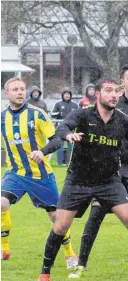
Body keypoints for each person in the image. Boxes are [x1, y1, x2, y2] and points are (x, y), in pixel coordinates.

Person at [36, 78, 128, 281]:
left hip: (108, 181)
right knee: (60, 226)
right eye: (109, 91)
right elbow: (62, 129)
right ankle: (45, 273)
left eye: (116, 91)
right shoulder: (83, 115)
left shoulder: (124, 121)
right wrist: (67, 137)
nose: (114, 95)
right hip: (78, 180)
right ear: (98, 94)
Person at [69, 65, 128, 278]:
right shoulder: (112, 105)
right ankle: (81, 264)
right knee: (96, 213)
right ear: (121, 84)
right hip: (110, 168)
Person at [1, 78, 78, 268]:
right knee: (1, 203)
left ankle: (70, 254)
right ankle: (4, 248)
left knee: (56, 219)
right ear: (7, 94)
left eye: (22, 89)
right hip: (16, 173)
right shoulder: (2, 117)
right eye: (15, 89)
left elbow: (57, 140)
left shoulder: (37, 114)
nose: (20, 92)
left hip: (41, 176)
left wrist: (41, 152)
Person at [51, 87, 79, 166]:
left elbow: (79, 116)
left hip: (71, 129)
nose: (67, 96)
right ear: (62, 95)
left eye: (68, 94)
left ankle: (71, 162)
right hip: (61, 129)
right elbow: (52, 114)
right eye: (65, 94)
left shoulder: (75, 105)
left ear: (70, 95)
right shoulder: (58, 104)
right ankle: (60, 163)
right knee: (60, 145)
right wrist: (59, 113)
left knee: (72, 146)